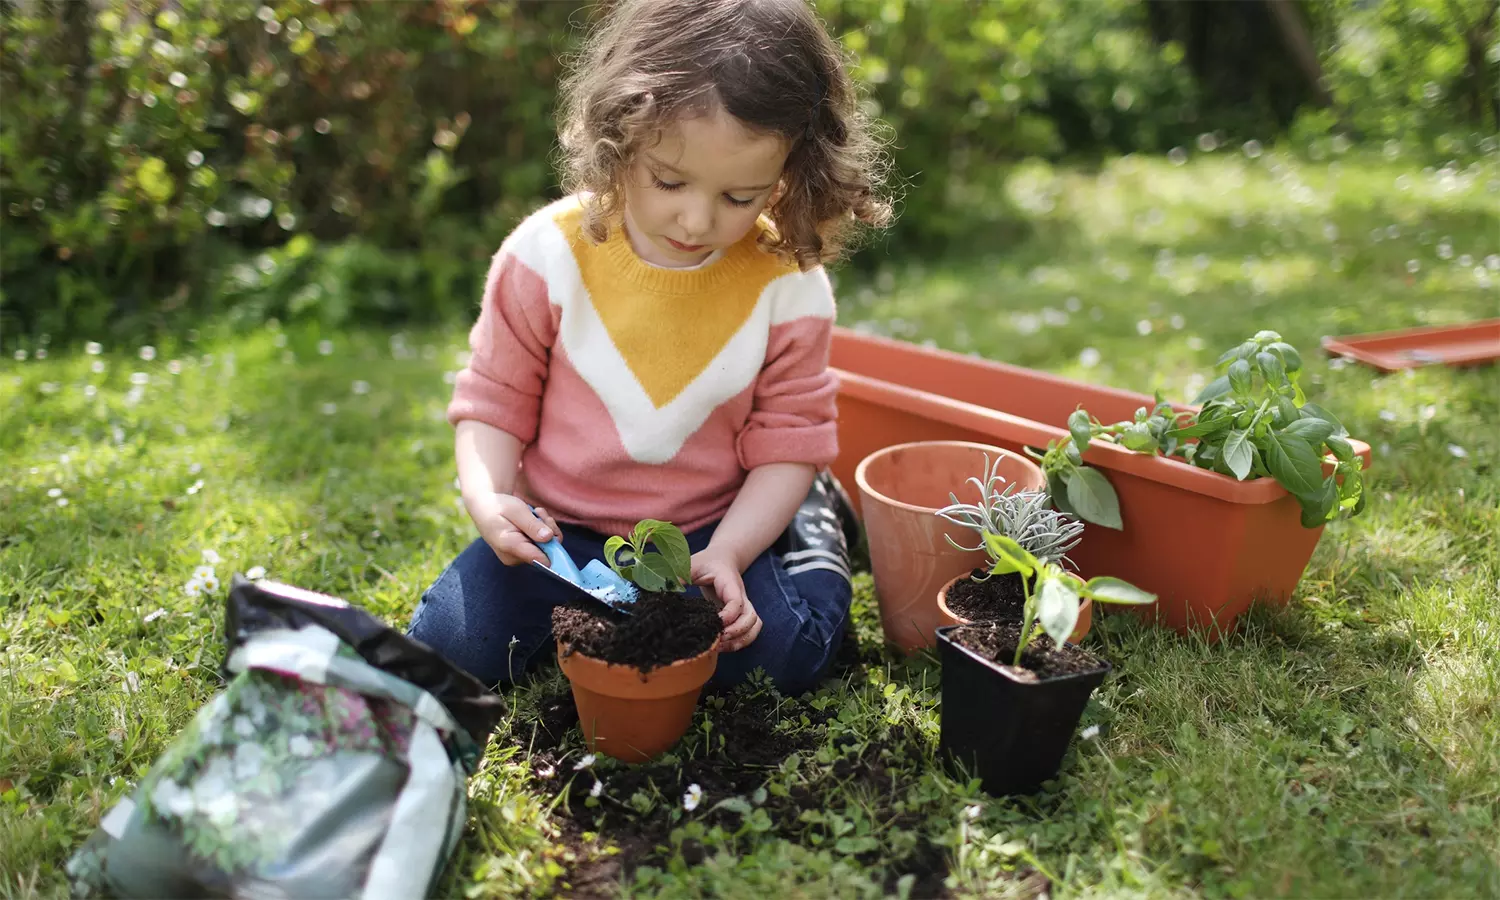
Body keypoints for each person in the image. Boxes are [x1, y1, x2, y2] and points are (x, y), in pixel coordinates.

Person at [407, 0, 890, 695]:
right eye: (669, 181)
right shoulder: (547, 256)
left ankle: (809, 523)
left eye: (740, 195)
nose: (697, 220)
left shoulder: (788, 285)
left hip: (711, 530)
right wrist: (487, 497)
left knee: (782, 660)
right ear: (618, 138)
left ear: (794, 168)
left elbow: (788, 440)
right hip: (558, 535)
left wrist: (730, 551)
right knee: (454, 648)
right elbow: (493, 401)